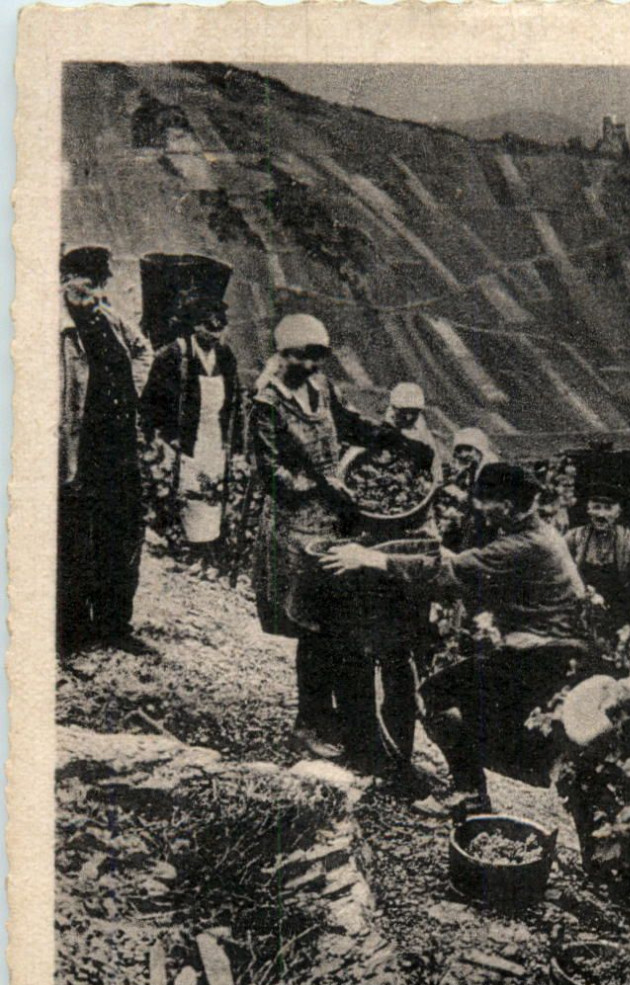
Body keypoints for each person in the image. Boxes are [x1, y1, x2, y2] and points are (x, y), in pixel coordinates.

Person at [320, 462, 593, 817]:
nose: (478, 508)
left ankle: (473, 793)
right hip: (550, 649)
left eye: (484, 501)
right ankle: (477, 788)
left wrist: (371, 558)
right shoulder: (539, 533)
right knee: (468, 704)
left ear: (507, 506)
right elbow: (472, 570)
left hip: (544, 654)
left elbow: (449, 574)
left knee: (435, 698)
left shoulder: (524, 545)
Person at [250, 313, 409, 761]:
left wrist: (389, 438)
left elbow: (349, 423)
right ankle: (308, 723)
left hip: (332, 519)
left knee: (334, 625)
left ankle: (329, 716)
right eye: (300, 356)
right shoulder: (266, 402)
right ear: (282, 353)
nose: (309, 365)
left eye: (316, 357)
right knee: (314, 626)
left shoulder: (321, 388)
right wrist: (322, 486)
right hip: (295, 526)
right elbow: (272, 474)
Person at [58, 245, 150, 652]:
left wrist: (133, 394)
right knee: (76, 539)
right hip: (80, 451)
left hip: (120, 448)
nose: (93, 294)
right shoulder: (57, 328)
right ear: (65, 281)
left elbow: (143, 350)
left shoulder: (110, 319)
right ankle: (74, 630)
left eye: (99, 285)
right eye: (86, 284)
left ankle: (115, 625)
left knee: (122, 533)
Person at [141, 294, 242, 569]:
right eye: (207, 328)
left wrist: (236, 443)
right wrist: (162, 438)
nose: (213, 334)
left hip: (215, 435)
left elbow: (235, 400)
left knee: (213, 492)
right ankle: (186, 549)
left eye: (218, 329)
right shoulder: (174, 355)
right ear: (194, 326)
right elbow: (151, 400)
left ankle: (209, 551)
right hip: (184, 438)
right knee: (187, 491)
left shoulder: (225, 356)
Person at [564, 481, 630, 634]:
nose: (601, 514)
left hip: (621, 618)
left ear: (618, 512)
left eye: (608, 508)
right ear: (588, 509)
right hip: (581, 615)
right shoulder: (573, 538)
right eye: (596, 507)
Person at [435, 426, 497, 552]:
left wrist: (463, 498)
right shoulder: (473, 467)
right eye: (460, 450)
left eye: (468, 449)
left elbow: (483, 499)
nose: (463, 454)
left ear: (479, 448)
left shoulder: (491, 468)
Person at [384, 382, 445, 473]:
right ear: (394, 408)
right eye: (404, 411)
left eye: (414, 412)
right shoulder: (385, 427)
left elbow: (435, 467)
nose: (409, 417)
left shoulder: (423, 435)